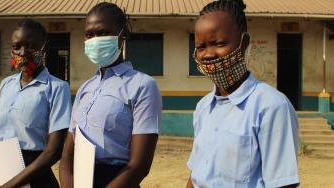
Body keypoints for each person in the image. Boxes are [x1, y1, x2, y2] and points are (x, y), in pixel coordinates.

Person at [186, 0, 299, 187]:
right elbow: (196, 174)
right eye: (201, 47)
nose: (208, 54)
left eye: (219, 43)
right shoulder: (203, 107)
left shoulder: (271, 106)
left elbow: (283, 184)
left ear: (243, 43)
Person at [59, 2, 162, 188]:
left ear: (123, 35)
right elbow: (67, 154)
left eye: (103, 33)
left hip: (118, 181)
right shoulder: (85, 88)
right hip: (80, 180)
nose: (95, 40)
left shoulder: (142, 85)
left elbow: (139, 165)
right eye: (89, 34)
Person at [0, 19, 71, 188]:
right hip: (0, 174)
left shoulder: (58, 88)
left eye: (31, 46)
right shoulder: (6, 85)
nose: (23, 52)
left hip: (36, 177)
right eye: (17, 47)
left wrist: (10, 185)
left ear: (44, 47)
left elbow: (54, 151)